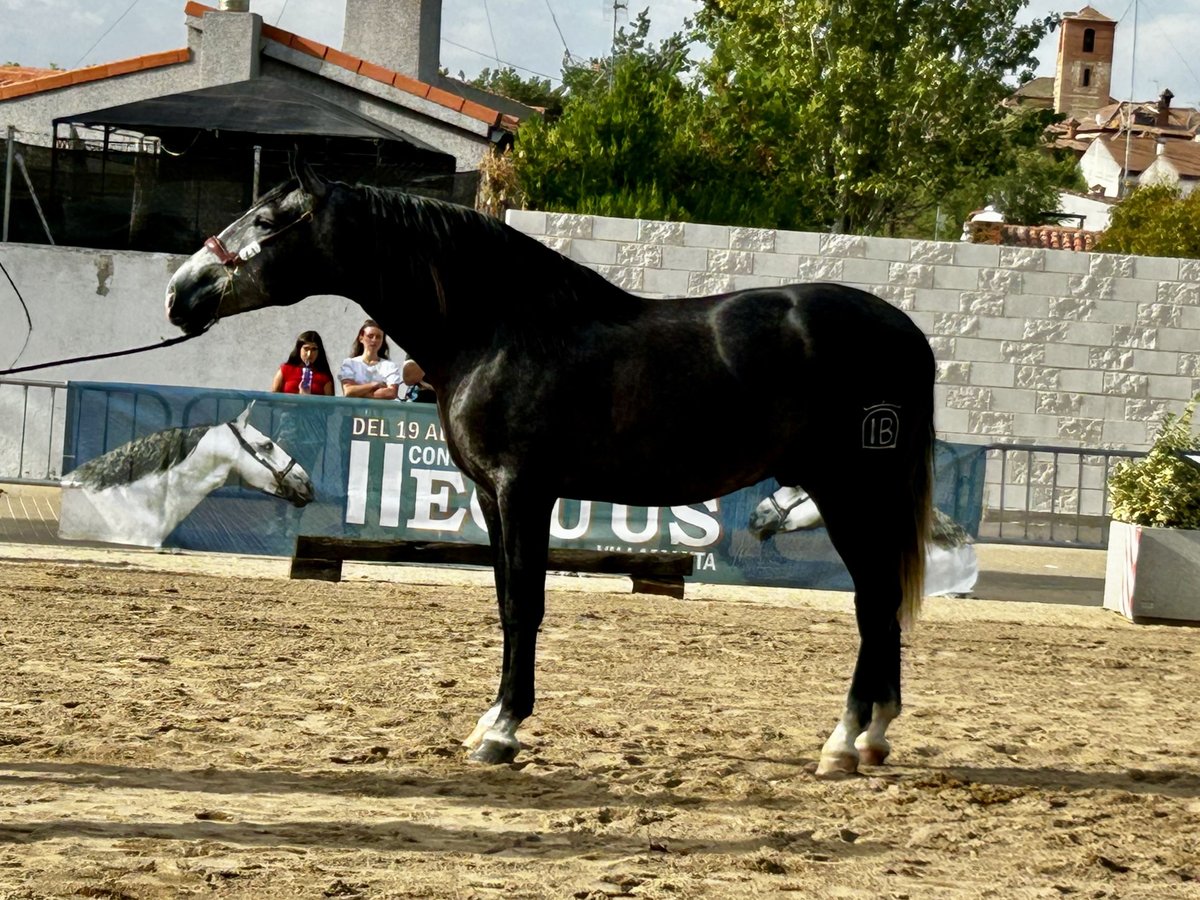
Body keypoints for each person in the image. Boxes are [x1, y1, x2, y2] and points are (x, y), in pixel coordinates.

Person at [339, 319, 403, 399]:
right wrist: (375, 385)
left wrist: (359, 393)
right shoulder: (350, 364)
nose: (374, 340)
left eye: (378, 337)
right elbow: (348, 391)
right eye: (370, 336)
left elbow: (391, 393)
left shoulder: (390, 366)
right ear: (361, 338)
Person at [271, 330, 335, 395]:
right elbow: (274, 396)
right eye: (306, 349)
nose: (309, 354)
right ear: (299, 349)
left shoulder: (324, 377)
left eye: (314, 349)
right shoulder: (285, 370)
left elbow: (329, 400)